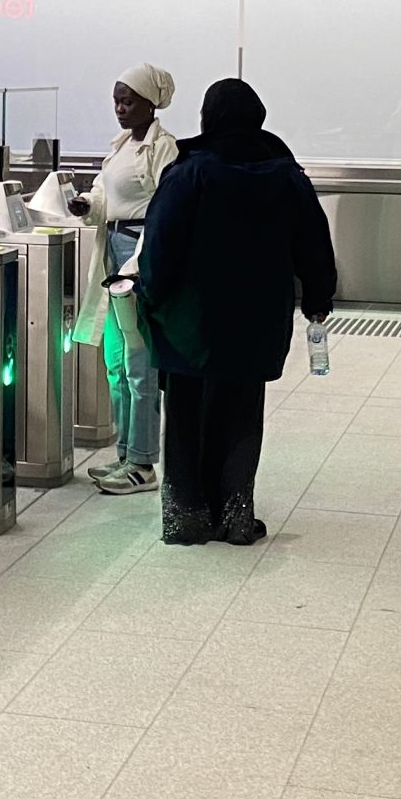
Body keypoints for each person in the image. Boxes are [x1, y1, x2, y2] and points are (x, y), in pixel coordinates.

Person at [136, 77, 334, 545]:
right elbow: (314, 243)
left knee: (186, 415)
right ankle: (235, 515)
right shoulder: (286, 176)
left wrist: (151, 295)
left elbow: (161, 246)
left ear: (209, 119)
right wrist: (318, 298)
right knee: (242, 414)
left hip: (192, 322)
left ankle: (187, 518)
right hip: (257, 319)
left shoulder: (189, 174)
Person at [69, 64, 178, 494]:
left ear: (151, 103)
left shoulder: (163, 149)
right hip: (112, 254)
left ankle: (143, 464)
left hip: (137, 259)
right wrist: (87, 204)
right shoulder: (121, 147)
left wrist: (137, 264)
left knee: (140, 365)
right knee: (116, 363)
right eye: (116, 101)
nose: (120, 108)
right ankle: (125, 452)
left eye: (128, 101)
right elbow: (104, 194)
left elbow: (163, 210)